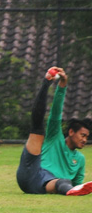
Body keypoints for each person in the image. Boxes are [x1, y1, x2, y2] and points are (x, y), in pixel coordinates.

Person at [16, 67, 91, 195]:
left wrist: (76, 189)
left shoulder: (80, 159)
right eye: (82, 135)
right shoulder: (55, 137)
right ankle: (46, 83)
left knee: (63, 183)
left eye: (87, 137)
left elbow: (78, 185)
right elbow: (56, 112)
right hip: (32, 171)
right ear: (71, 132)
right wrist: (62, 87)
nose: (84, 140)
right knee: (37, 128)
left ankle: (66, 190)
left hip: (45, 185)